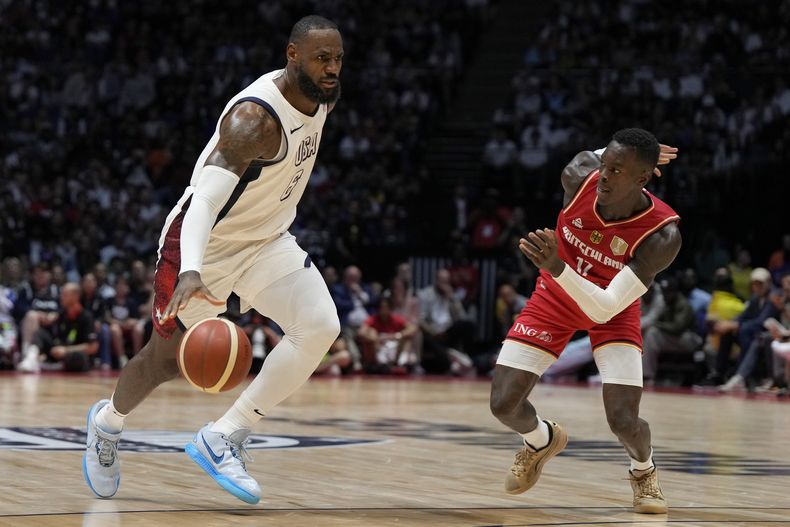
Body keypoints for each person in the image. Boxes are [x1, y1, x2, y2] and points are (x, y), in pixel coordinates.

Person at [83, 15, 344, 505]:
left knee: (320, 325)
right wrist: (191, 270)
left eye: (336, 59)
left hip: (266, 238)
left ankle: (225, 435)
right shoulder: (255, 121)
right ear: (292, 55)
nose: (331, 69)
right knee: (167, 363)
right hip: (203, 244)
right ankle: (106, 424)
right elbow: (203, 201)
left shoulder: (322, 95)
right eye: (321, 59)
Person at [489, 129, 680, 514]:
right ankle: (541, 440)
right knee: (503, 404)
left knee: (624, 421)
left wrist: (557, 265)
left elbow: (604, 308)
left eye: (617, 170)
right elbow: (599, 157)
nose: (604, 176)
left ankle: (644, 470)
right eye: (605, 164)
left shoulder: (663, 234)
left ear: (643, 178)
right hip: (555, 298)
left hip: (612, 308)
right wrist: (631, 151)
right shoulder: (579, 174)